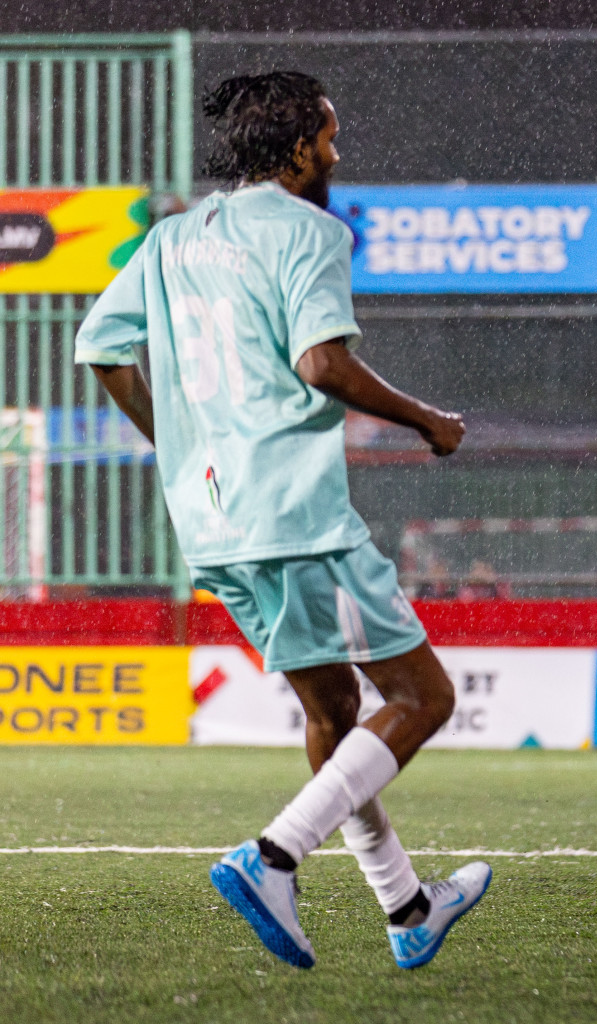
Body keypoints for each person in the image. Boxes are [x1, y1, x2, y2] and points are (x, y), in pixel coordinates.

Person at [73, 72, 490, 969]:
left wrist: (177, 443)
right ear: (298, 146)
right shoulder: (312, 231)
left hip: (212, 520)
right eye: (331, 138)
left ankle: (407, 905)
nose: (337, 155)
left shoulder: (173, 237)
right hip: (296, 516)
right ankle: (272, 856)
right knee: (424, 698)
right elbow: (321, 362)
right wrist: (429, 421)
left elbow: (100, 348)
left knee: (334, 709)